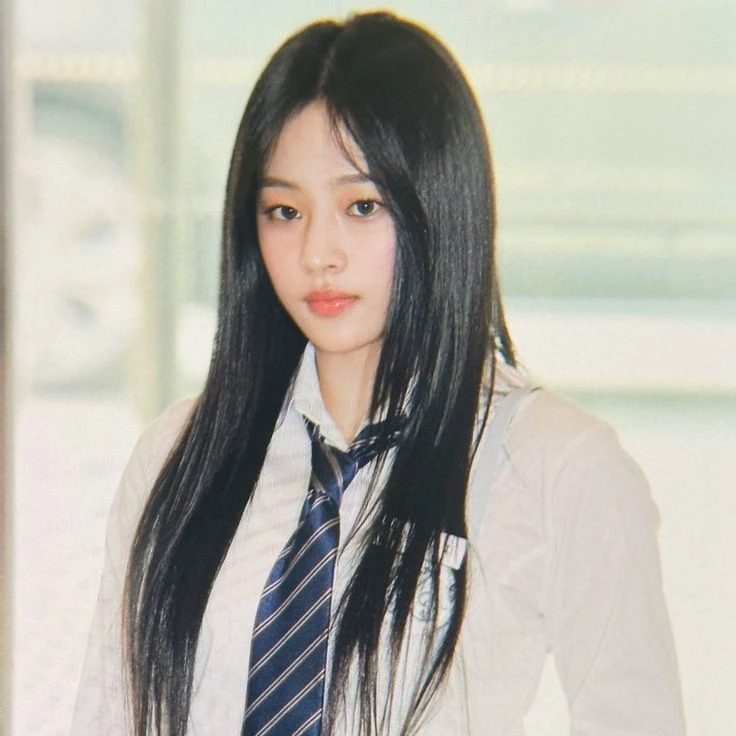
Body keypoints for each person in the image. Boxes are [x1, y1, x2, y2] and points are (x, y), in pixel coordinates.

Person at [71, 11, 686, 736]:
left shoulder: (559, 466)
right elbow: (108, 714)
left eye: (362, 206)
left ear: (440, 207)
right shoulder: (181, 455)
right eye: (284, 211)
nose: (317, 253)